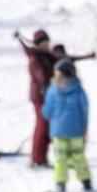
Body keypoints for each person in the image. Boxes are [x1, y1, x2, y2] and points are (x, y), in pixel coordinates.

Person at [42, 54, 93, 192]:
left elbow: (47, 112)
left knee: (60, 159)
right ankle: (86, 181)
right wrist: (84, 127)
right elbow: (84, 109)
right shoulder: (79, 89)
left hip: (58, 132)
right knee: (79, 156)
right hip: (76, 130)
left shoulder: (52, 90)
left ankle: (60, 184)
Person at [17, 29, 56, 167]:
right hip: (40, 97)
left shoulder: (43, 55)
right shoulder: (36, 58)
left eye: (48, 42)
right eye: (44, 42)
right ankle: (37, 159)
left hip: (46, 95)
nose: (47, 45)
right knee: (43, 127)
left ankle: (41, 157)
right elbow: (42, 77)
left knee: (45, 127)